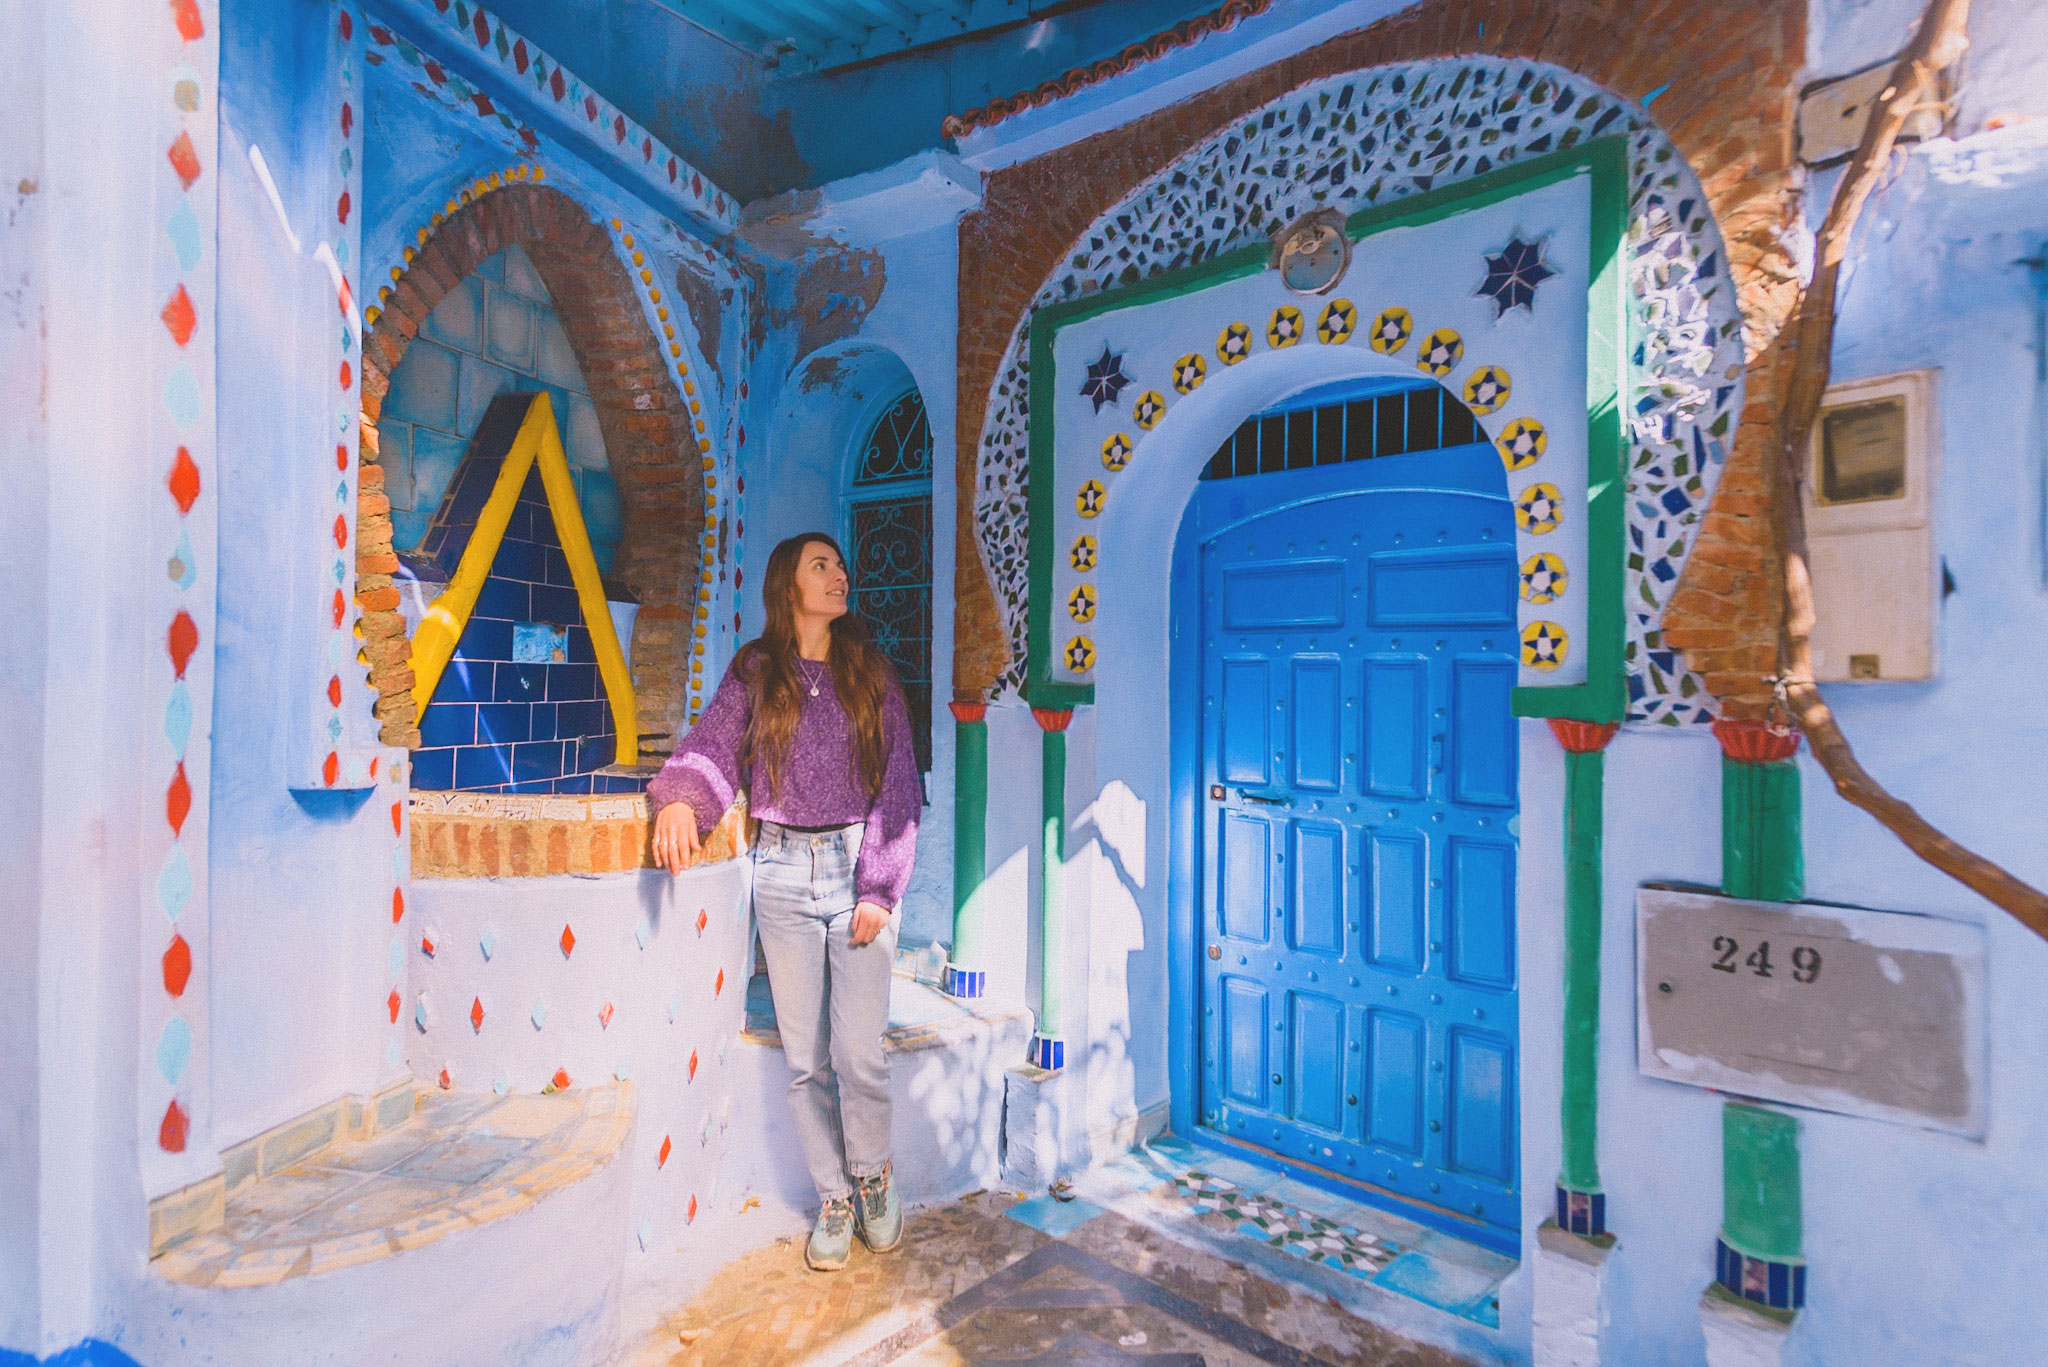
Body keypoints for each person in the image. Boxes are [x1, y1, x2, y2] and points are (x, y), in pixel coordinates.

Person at [647, 532, 920, 1272]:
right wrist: (679, 800)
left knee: (859, 1052)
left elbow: (899, 783)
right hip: (780, 872)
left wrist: (879, 885)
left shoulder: (871, 672)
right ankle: (833, 1195)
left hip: (853, 866)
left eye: (840, 563)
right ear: (788, 583)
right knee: (806, 1061)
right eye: (821, 564)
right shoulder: (758, 669)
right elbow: (713, 746)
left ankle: (873, 1175)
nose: (840, 574)